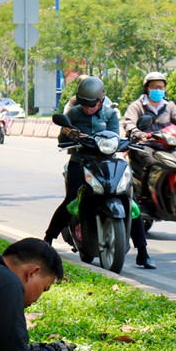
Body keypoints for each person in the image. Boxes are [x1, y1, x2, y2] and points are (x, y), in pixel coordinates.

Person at [43, 76, 157, 269]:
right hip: (80, 161)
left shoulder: (110, 114)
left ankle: (143, 252)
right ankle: (48, 239)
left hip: (106, 163)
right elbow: (62, 140)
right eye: (84, 104)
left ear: (101, 100)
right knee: (72, 198)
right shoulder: (74, 113)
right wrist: (67, 134)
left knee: (130, 201)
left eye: (92, 104)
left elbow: (114, 138)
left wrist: (126, 141)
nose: (87, 108)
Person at [122, 71, 176, 194]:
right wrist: (138, 133)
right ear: (146, 88)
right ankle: (145, 195)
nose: (158, 90)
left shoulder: (169, 106)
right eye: (154, 87)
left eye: (161, 87)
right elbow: (129, 123)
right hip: (145, 145)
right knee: (151, 162)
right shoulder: (137, 106)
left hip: (167, 145)